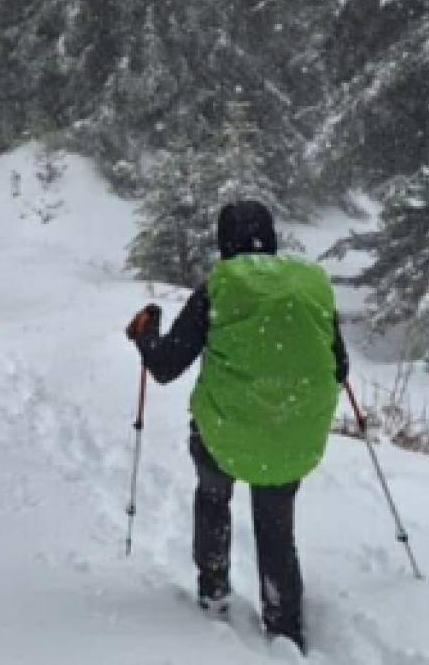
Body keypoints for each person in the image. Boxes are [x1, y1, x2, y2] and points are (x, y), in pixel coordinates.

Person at [125, 200, 348, 655]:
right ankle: (285, 626)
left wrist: (146, 335)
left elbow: (166, 367)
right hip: (290, 437)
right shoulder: (311, 287)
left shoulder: (217, 290)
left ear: (223, 240)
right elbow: (339, 366)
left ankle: (214, 593)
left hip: (222, 436)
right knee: (275, 528)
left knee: (212, 498)